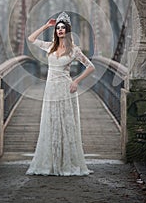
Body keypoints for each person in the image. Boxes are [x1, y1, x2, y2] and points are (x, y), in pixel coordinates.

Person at [26, 12, 95, 176]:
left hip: (66, 88)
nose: (60, 30)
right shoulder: (50, 46)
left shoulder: (74, 50)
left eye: (63, 28)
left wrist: (76, 81)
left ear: (68, 30)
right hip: (50, 89)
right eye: (58, 28)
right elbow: (30, 39)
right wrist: (46, 25)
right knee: (51, 122)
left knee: (65, 124)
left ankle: (65, 162)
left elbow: (91, 66)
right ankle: (51, 162)